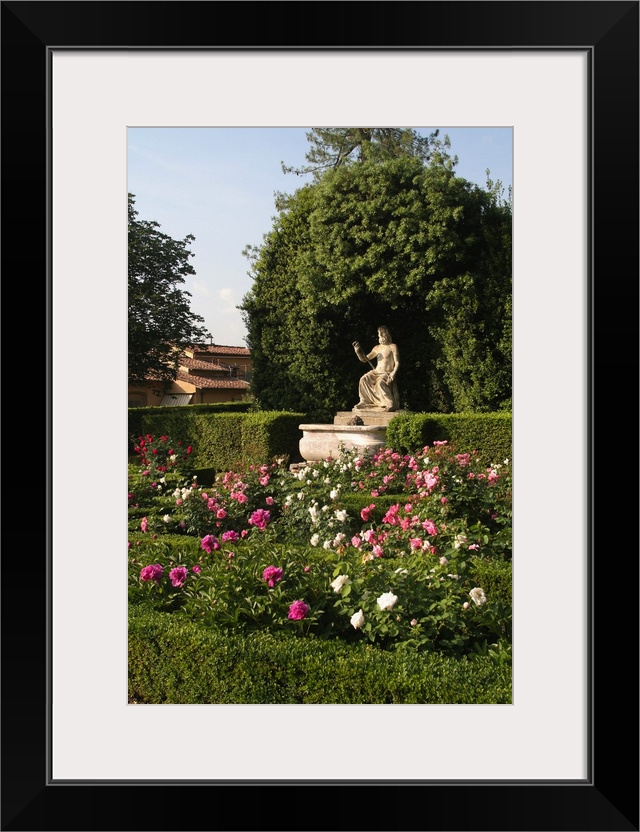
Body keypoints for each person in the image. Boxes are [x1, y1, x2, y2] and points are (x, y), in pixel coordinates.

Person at [352, 326, 400, 411]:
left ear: (386, 335)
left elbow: (397, 362)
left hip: (386, 373)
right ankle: (364, 401)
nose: (380, 337)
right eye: (379, 335)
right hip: (376, 372)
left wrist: (394, 372)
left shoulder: (392, 346)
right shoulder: (377, 348)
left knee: (380, 383)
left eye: (381, 335)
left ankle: (389, 403)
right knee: (363, 379)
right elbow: (364, 359)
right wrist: (358, 351)